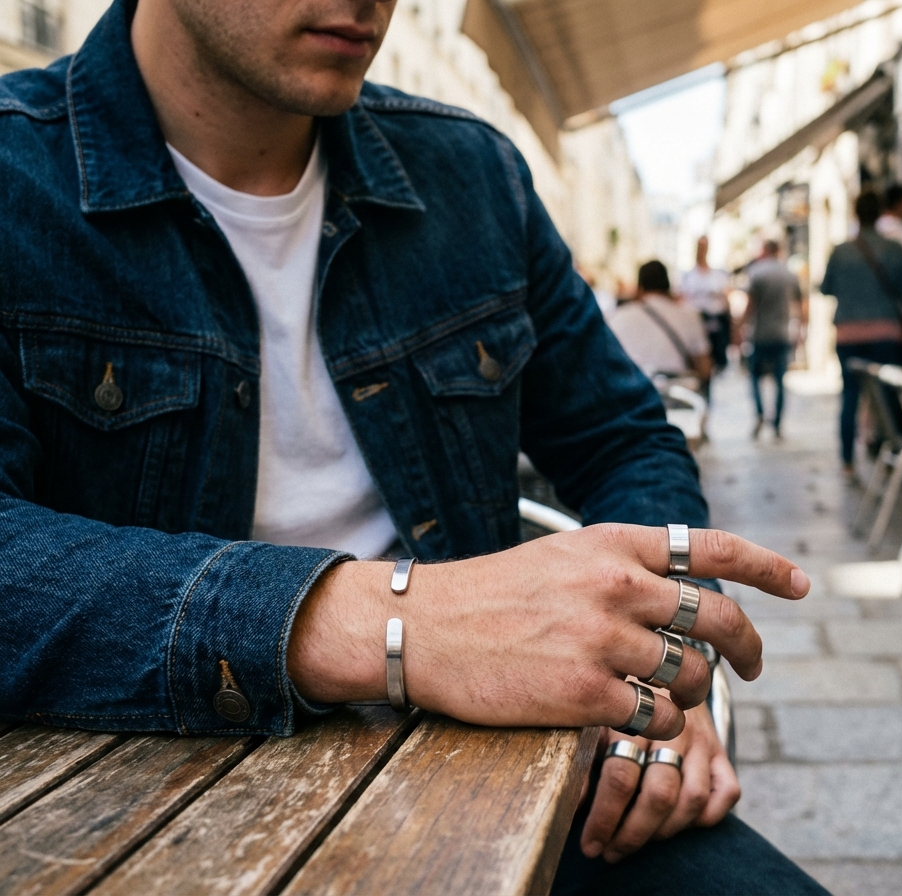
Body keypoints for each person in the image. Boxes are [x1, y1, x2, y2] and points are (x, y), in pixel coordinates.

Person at [0, 1, 829, 893]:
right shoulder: (19, 180)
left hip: (511, 774)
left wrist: (650, 652)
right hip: (125, 796)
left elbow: (620, 436)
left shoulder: (471, 174)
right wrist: (391, 622)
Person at [821, 190, 902, 478]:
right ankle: (887, 460)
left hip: (848, 334)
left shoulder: (840, 251)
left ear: (856, 215)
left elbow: (827, 288)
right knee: (886, 398)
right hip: (886, 333)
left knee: (850, 396)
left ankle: (848, 462)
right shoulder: (895, 249)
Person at [608, 261, 713, 385]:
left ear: (639, 288)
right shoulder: (690, 316)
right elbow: (705, 369)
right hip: (679, 394)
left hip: (634, 393)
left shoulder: (617, 317)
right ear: (668, 287)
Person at [745, 239, 802, 439]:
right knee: (780, 380)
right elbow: (801, 305)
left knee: (754, 378)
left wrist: (740, 330)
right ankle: (777, 423)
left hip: (760, 334)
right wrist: (801, 331)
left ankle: (760, 413)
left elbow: (749, 306)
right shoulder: (789, 274)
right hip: (782, 333)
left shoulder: (756, 272)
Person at [680, 236, 732, 373]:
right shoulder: (687, 277)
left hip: (715, 323)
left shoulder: (718, 275)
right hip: (696, 322)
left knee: (716, 360)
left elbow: (725, 301)